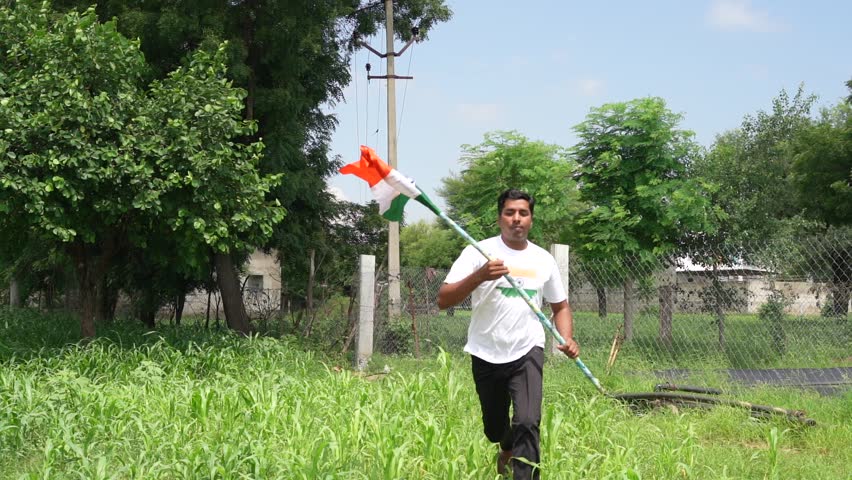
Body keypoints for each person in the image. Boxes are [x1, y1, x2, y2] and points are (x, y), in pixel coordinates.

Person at [437, 188, 579, 480]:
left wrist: (566, 337)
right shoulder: (478, 251)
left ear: (531, 219)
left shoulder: (543, 260)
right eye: (510, 212)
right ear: (500, 217)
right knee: (495, 427)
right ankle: (505, 445)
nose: (517, 219)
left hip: (527, 349)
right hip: (485, 351)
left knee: (527, 420)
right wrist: (480, 275)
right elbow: (444, 299)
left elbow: (560, 306)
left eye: (523, 213)